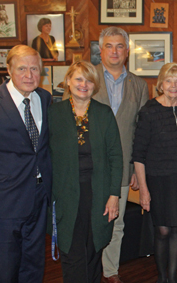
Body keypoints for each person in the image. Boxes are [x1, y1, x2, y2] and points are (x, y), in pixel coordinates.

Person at [0, 45, 52, 282]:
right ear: (9, 70)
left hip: (38, 197)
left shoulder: (44, 99)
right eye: (22, 68)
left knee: (34, 266)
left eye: (34, 69)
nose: (29, 75)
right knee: (6, 269)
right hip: (2, 204)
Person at [49, 61, 123, 282]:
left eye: (89, 80)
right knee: (71, 251)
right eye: (78, 79)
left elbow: (115, 157)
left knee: (93, 250)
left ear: (95, 85)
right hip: (64, 194)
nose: (84, 84)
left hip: (97, 193)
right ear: (68, 81)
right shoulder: (54, 114)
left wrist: (113, 195)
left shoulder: (104, 113)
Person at [93, 27, 149, 283]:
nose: (114, 51)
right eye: (109, 46)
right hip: (90, 165)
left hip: (124, 168)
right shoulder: (87, 77)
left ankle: (110, 270)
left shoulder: (138, 85)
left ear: (127, 51)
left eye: (119, 46)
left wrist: (137, 169)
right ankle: (90, 267)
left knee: (116, 222)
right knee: (90, 219)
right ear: (101, 49)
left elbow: (141, 131)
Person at [132, 63, 177, 283]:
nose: (173, 85)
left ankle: (173, 277)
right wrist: (143, 190)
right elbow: (138, 154)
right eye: (168, 80)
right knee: (162, 231)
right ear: (160, 84)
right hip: (158, 180)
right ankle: (162, 277)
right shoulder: (149, 111)